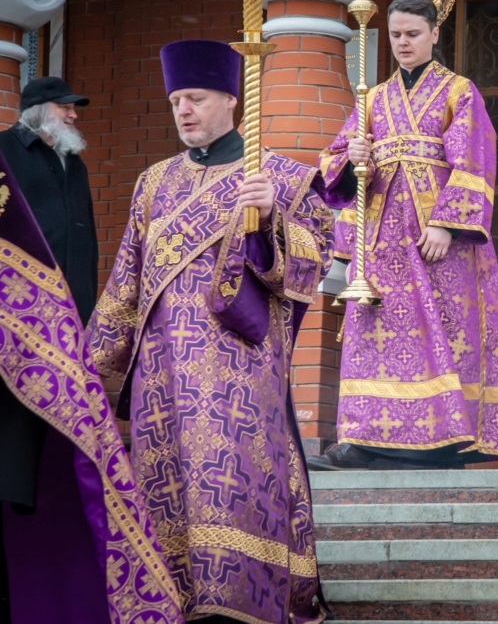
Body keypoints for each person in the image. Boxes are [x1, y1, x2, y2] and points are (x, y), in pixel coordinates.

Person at [86, 39, 332, 624]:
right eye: (176, 101)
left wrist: (270, 219)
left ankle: (244, 605)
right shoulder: (153, 182)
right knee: (164, 493)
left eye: (195, 98)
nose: (184, 111)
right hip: (162, 376)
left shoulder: (281, 178)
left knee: (236, 486)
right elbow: (126, 282)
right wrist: (87, 369)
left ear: (230, 98)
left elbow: (316, 260)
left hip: (239, 371)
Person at [308, 0, 498, 471]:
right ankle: (362, 440)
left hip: (435, 242)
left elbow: (474, 159)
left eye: (412, 33)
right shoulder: (373, 97)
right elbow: (334, 160)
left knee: (443, 332)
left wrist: (448, 225)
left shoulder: (457, 91)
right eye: (395, 35)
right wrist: (355, 159)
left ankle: (440, 440)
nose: (403, 42)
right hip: (381, 241)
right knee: (376, 335)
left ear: (434, 34)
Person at [0, 152, 184, 624]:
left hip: (67, 351)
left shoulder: (74, 168)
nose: (73, 118)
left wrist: (90, 357)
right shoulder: (13, 154)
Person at [0, 76, 97, 324]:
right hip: (19, 295)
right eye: (64, 107)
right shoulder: (3, 149)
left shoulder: (74, 162)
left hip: (75, 297)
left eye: (73, 108)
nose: (73, 115)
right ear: (38, 110)